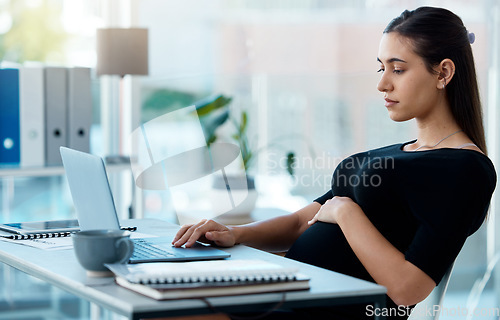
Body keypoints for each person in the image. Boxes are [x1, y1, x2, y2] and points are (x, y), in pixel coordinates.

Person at [172, 7, 496, 320]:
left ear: (444, 72)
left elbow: (407, 290)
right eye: (381, 68)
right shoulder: (398, 152)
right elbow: (303, 223)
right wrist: (235, 233)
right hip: (289, 295)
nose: (383, 84)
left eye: (398, 69)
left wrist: (345, 212)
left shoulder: (465, 170)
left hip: (331, 313)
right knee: (161, 300)